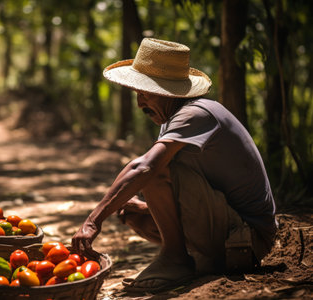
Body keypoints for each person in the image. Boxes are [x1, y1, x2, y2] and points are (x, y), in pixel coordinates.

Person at [71, 38, 277, 294]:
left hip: (248, 240)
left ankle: (176, 258)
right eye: (138, 94)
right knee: (134, 214)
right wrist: (145, 207)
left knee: (154, 171)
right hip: (229, 229)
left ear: (165, 91)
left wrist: (93, 221)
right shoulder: (173, 119)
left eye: (145, 94)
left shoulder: (198, 113)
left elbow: (145, 167)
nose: (139, 103)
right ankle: (190, 258)